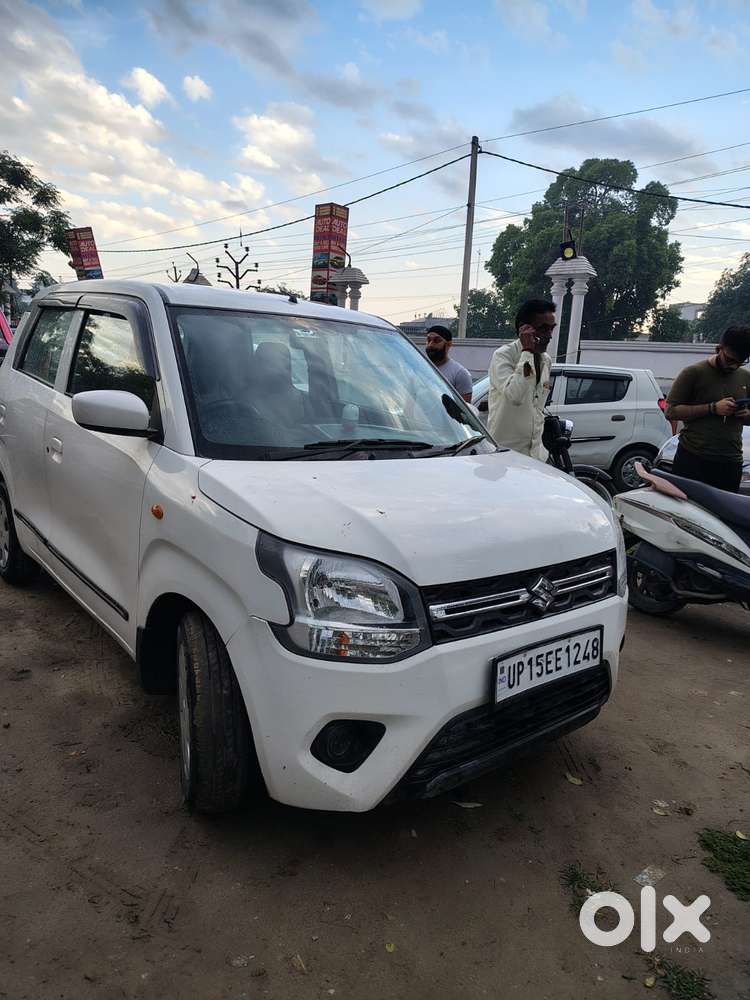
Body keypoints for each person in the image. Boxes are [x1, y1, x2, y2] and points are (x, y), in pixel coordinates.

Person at [665, 325, 750, 492]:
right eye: (730, 360)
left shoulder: (746, 377)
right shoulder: (693, 373)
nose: (734, 366)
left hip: (730, 462)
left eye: (740, 362)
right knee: (688, 508)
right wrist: (712, 408)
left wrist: (746, 415)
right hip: (693, 458)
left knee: (724, 509)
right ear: (718, 349)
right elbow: (670, 411)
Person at [487, 299, 556, 460]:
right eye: (543, 329)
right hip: (505, 455)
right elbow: (515, 396)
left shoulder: (546, 360)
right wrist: (527, 352)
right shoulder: (503, 355)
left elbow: (537, 407)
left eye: (552, 328)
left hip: (536, 455)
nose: (549, 336)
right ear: (524, 329)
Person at [424, 325, 473, 402]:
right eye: (428, 340)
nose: (430, 345)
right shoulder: (419, 368)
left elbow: (464, 407)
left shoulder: (460, 373)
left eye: (437, 341)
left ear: (449, 344)